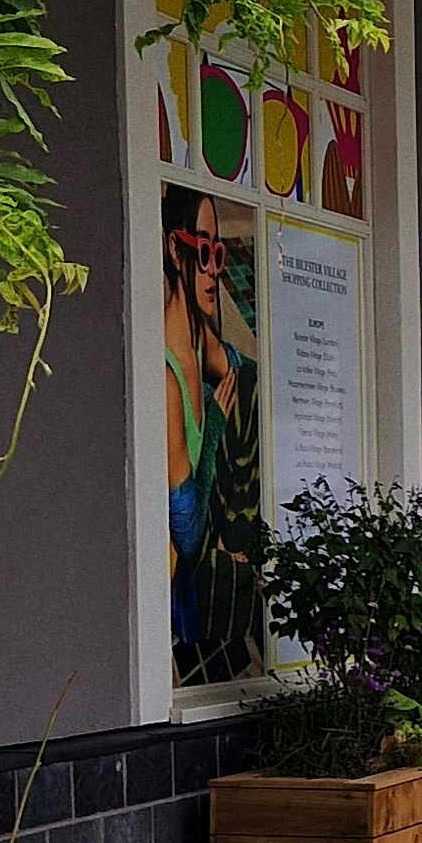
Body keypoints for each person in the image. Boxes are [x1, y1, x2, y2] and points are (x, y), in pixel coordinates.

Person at [162, 190, 263, 681]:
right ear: (172, 249)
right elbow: (184, 530)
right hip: (181, 588)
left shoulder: (197, 341)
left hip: (210, 554)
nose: (214, 268)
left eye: (219, 254)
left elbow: (242, 373)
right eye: (203, 251)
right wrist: (216, 427)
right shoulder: (167, 378)